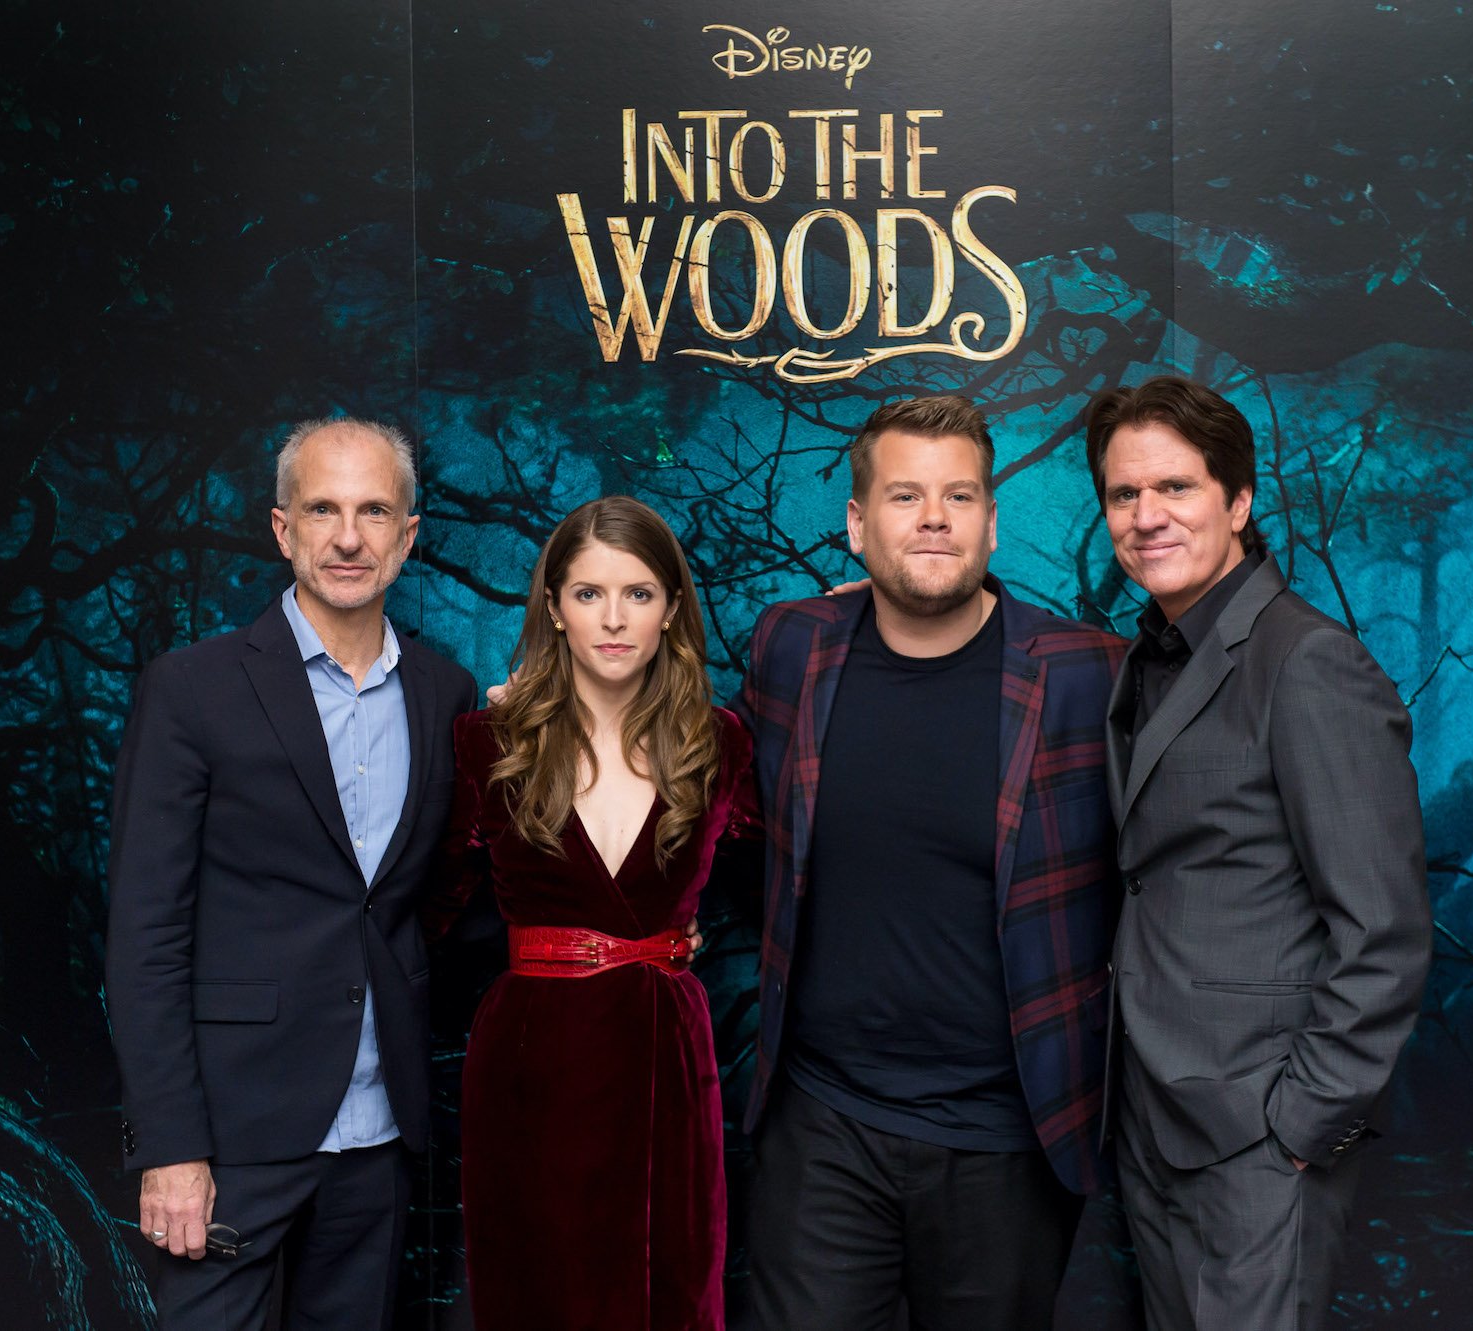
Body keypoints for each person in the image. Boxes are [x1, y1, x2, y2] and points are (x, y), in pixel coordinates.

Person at [737, 395, 1126, 1330]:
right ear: (857, 525)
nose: (935, 518)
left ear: (993, 521)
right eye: (906, 495)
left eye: (959, 495)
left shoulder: (1090, 674)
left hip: (1007, 1137)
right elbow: (704, 798)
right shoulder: (791, 646)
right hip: (823, 1123)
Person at [104, 418, 475, 1330]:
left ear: (407, 535)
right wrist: (171, 1146)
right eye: (323, 509)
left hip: (379, 1134)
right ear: (283, 529)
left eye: (374, 510)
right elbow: (144, 933)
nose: (349, 536)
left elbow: (446, 907)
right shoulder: (193, 689)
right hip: (233, 1138)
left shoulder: (446, 696)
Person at [1086, 376, 1432, 1330]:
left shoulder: (1308, 662)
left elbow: (1385, 930)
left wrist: (1299, 1126)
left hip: (1258, 1135)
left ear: (1238, 502)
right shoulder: (1147, 657)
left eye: (1178, 489)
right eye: (1124, 494)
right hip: (1151, 1120)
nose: (1148, 516)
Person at [424, 495, 760, 1331]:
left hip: (666, 1059)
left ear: (673, 609)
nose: (614, 619)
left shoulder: (721, 745)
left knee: (671, 1293)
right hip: (530, 1060)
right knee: (534, 1291)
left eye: (639, 594)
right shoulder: (486, 742)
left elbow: (776, 892)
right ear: (553, 607)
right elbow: (425, 917)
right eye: (588, 594)